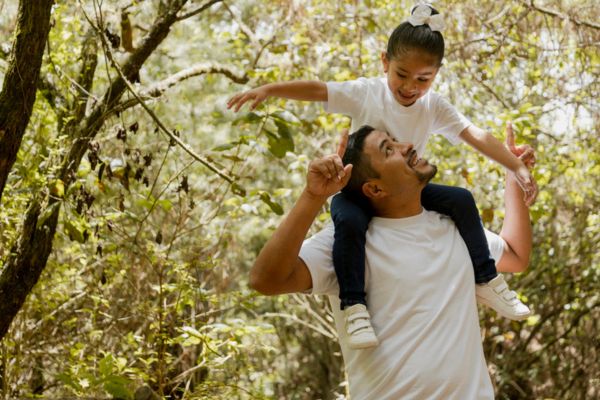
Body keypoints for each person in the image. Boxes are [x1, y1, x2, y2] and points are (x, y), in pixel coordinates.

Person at [231, 4, 538, 348]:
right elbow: (319, 89)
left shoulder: (433, 107)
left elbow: (475, 135)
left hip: (407, 192)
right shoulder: (367, 93)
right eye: (401, 74)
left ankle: (486, 278)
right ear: (384, 62)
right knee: (348, 222)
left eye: (423, 79)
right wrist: (270, 90)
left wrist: (516, 167)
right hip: (358, 190)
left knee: (461, 199)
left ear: (436, 74)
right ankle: (354, 304)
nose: (410, 87)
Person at [250, 125, 535, 399]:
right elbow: (266, 279)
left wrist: (514, 176)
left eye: (395, 140)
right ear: (374, 189)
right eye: (389, 149)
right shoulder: (345, 244)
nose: (407, 145)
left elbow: (516, 255)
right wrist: (313, 196)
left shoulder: (455, 226)